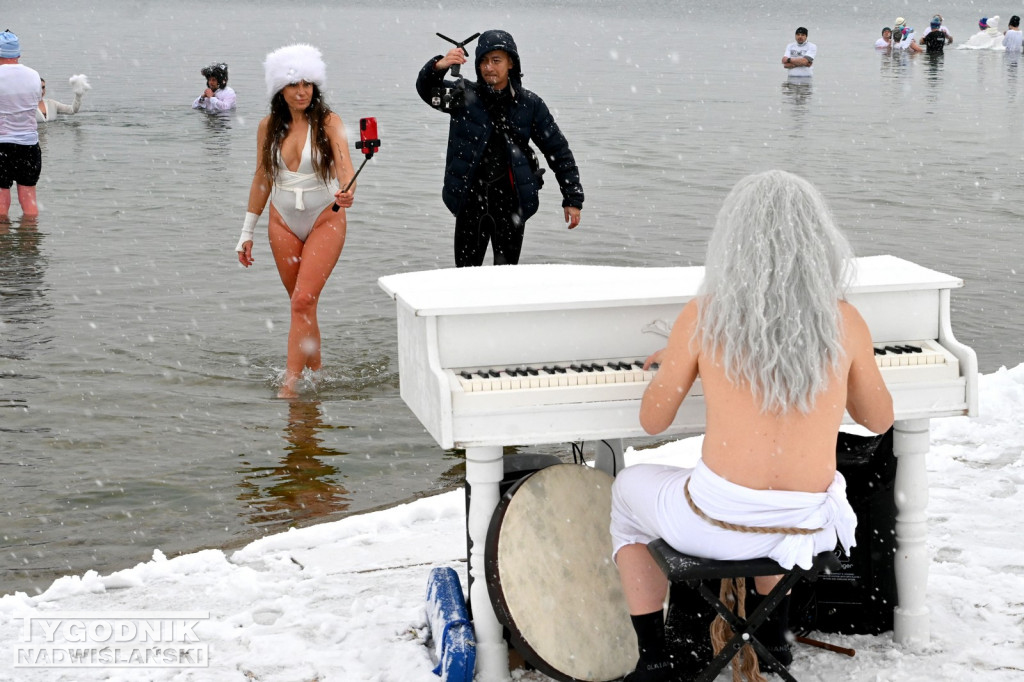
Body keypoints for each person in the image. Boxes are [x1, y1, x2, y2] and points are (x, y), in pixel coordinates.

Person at [610, 170, 895, 682]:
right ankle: (771, 641)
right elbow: (878, 420)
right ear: (818, 242)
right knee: (775, 500)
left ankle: (655, 657)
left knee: (629, 492)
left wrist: (681, 361)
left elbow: (652, 422)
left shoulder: (706, 315)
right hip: (805, 524)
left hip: (719, 526)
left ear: (733, 242)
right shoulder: (845, 321)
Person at [234, 44, 356, 399]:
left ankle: (290, 385)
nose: (302, 92)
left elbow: (345, 166)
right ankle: (317, 374)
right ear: (280, 90)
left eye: (308, 84)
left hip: (325, 217)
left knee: (302, 300)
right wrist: (246, 232)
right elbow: (261, 178)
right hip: (281, 220)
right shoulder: (267, 126)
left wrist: (348, 190)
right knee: (302, 304)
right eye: (294, 85)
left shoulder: (329, 122)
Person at [416, 29, 584, 267]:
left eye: (496, 60)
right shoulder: (462, 95)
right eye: (483, 61)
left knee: (505, 280)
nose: (489, 67)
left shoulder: (530, 104)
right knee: (464, 277)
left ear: (511, 63)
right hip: (469, 201)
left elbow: (557, 150)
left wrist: (573, 198)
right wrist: (439, 66)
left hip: (510, 204)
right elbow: (427, 91)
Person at [0, 30, 42, 220]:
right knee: (29, 200)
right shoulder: (34, 75)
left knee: (0, 204)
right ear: (17, 53)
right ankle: (29, 242)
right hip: (29, 146)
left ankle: (4, 245)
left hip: (1, 146)